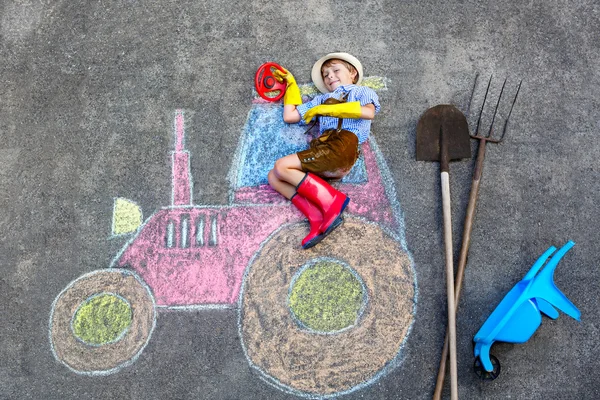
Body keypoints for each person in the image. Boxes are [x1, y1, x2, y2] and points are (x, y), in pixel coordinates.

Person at [267, 52, 380, 249]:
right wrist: (291, 86)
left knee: (281, 165)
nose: (330, 77)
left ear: (353, 73)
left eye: (335, 70)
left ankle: (332, 202)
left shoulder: (360, 92)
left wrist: (327, 110)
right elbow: (290, 116)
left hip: (343, 144)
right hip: (324, 148)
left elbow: (369, 112)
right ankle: (316, 216)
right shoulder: (321, 100)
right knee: (274, 176)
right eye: (326, 74)